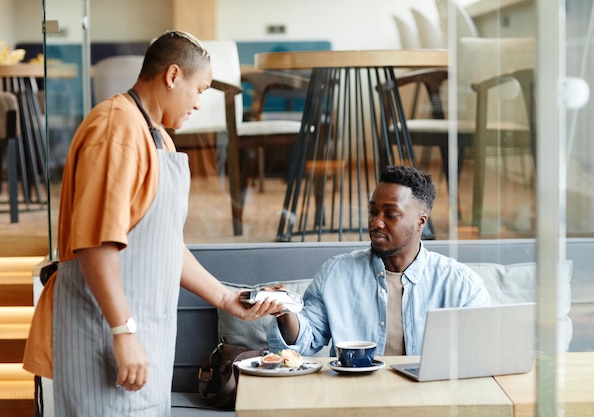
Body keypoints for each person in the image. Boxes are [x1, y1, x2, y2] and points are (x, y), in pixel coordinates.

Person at [22, 30, 283, 416]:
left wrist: (227, 298)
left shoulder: (158, 136)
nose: (199, 103)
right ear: (173, 75)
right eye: (200, 89)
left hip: (144, 343)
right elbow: (95, 245)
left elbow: (164, 245)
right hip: (102, 338)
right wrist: (122, 331)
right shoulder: (116, 130)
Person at [267, 165, 491, 357]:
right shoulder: (336, 273)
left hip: (433, 400)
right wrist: (285, 311)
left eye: (390, 215)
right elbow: (306, 340)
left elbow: (483, 352)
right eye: (373, 212)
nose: (376, 223)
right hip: (354, 397)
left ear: (420, 222)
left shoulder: (460, 284)